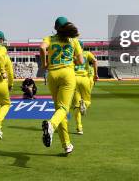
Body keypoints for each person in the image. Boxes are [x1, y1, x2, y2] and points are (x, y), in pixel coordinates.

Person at [39, 16, 83, 155]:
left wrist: (44, 64)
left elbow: (41, 48)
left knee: (59, 110)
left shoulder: (50, 39)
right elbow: (81, 61)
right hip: (67, 74)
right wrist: (72, 60)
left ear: (55, 28)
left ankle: (66, 144)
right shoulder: (73, 40)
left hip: (53, 75)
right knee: (64, 108)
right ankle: (51, 125)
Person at [71, 42, 97, 135]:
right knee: (87, 101)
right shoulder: (86, 53)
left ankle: (79, 128)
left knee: (76, 107)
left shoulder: (72, 55)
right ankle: (84, 105)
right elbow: (95, 61)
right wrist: (96, 75)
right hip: (85, 79)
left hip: (74, 80)